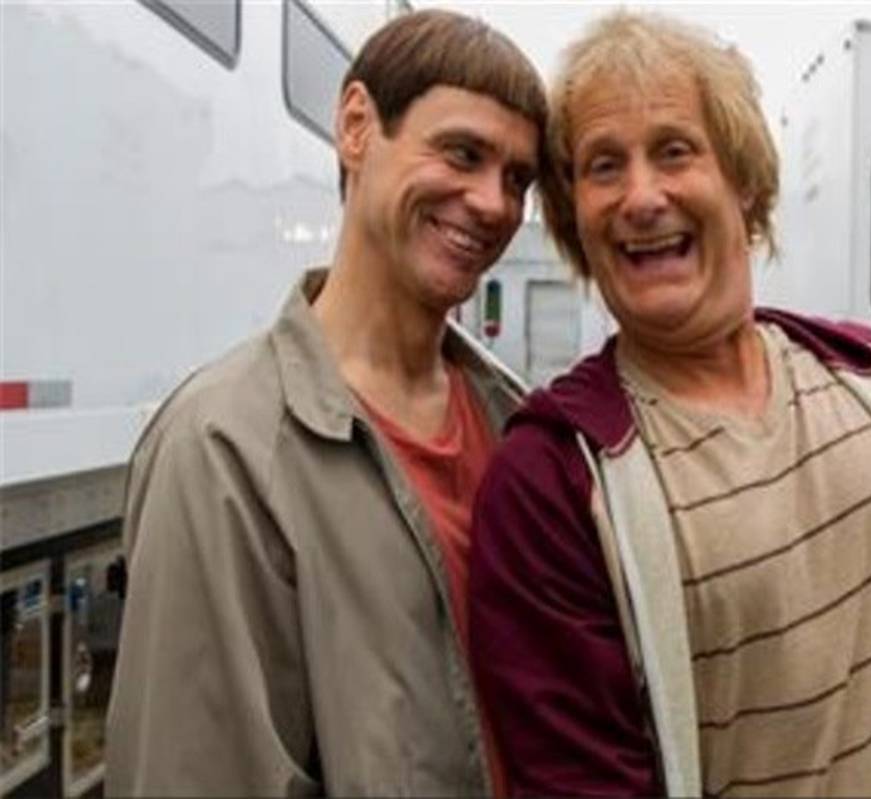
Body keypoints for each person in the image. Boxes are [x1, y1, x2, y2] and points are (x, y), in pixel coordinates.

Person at [469, 11, 871, 798]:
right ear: (576, 216)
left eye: (674, 150)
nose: (641, 196)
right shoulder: (553, 480)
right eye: (604, 166)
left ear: (742, 179)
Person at [105, 10, 544, 796]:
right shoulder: (223, 448)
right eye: (462, 153)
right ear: (356, 126)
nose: (493, 203)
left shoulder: (516, 425)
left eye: (517, 178)